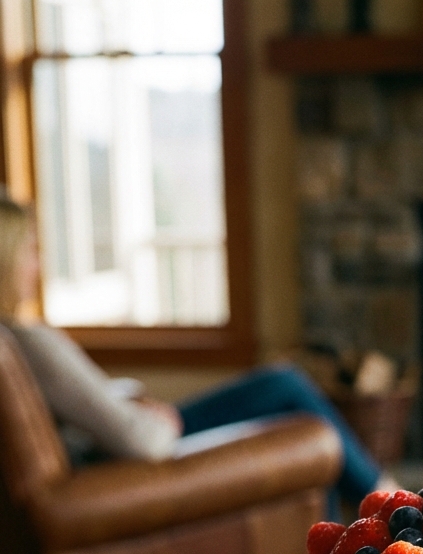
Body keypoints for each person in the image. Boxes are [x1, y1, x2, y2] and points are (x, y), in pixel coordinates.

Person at [0, 194, 385, 510]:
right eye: (30, 250)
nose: (38, 263)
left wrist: (124, 400)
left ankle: (382, 502)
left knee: (289, 396)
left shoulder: (14, 341)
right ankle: (388, 500)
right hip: (129, 458)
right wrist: (163, 420)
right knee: (285, 387)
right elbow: (141, 442)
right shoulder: (28, 341)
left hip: (111, 451)